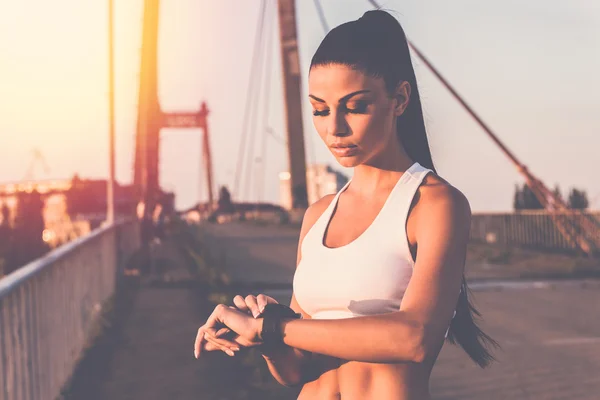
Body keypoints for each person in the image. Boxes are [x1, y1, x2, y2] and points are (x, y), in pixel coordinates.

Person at [194, 9, 498, 399]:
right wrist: (265, 330)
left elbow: (414, 337)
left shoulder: (434, 204)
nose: (334, 127)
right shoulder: (318, 214)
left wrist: (276, 329)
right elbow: (297, 368)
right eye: (320, 110)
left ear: (399, 99)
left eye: (354, 106)